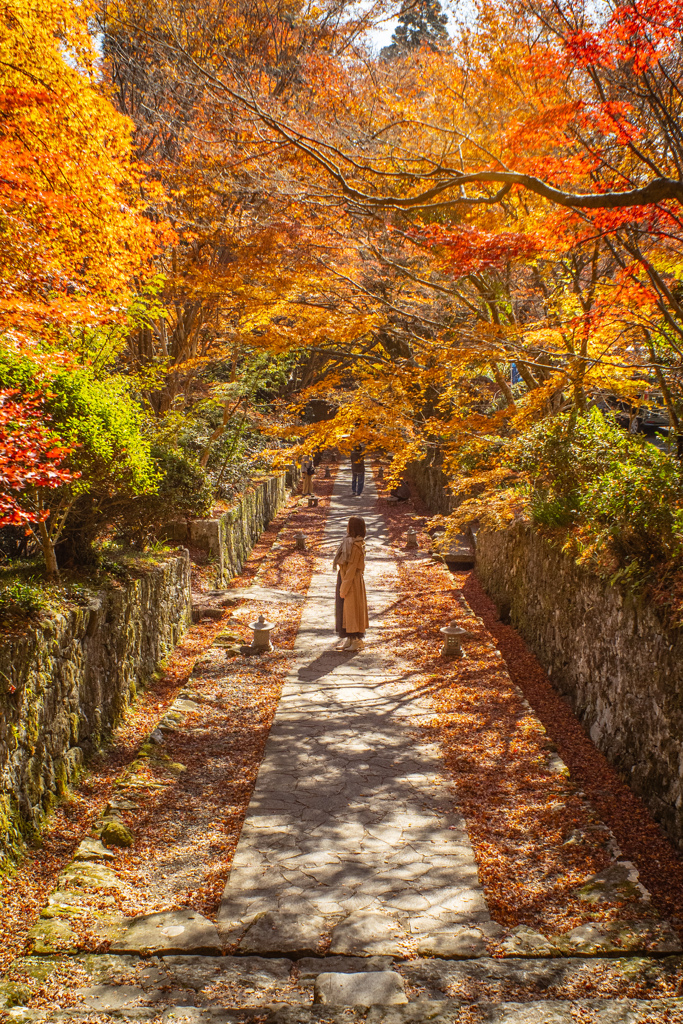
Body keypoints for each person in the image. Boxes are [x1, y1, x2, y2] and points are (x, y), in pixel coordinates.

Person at [333, 515, 369, 651]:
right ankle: (349, 639)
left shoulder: (355, 546)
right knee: (345, 610)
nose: (346, 528)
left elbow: (352, 568)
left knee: (352, 610)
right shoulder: (349, 542)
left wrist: (344, 587)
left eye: (349, 525)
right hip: (346, 578)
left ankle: (356, 641)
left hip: (351, 581)